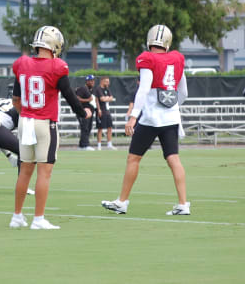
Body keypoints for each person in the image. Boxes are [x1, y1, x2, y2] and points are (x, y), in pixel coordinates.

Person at [102, 24, 190, 216]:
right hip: (171, 116)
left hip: (151, 117)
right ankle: (183, 204)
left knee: (133, 158)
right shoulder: (177, 58)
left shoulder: (147, 58)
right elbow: (183, 92)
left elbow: (144, 89)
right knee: (173, 158)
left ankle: (122, 202)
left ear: (150, 40)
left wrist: (133, 117)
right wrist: (174, 108)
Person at [10, 25, 91, 230]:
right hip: (44, 124)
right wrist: (83, 113)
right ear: (54, 44)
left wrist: (27, 115)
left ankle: (17, 216)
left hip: (25, 122)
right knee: (44, 173)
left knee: (24, 171)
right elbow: (70, 96)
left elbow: (16, 100)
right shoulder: (57, 66)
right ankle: (38, 219)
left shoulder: (22, 63)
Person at [94, 76, 117, 150]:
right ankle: (99, 145)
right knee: (100, 128)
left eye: (108, 81)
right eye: (106, 81)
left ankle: (109, 144)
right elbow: (101, 99)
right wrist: (99, 109)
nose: (108, 83)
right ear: (102, 81)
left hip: (107, 111)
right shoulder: (98, 89)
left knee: (109, 127)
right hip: (101, 111)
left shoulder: (107, 89)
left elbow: (111, 98)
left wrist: (107, 98)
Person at [75, 74, 96, 151]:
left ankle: (81, 145)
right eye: (91, 81)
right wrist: (87, 100)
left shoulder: (91, 89)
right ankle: (85, 145)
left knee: (88, 127)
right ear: (87, 81)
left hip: (89, 111)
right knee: (85, 127)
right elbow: (77, 98)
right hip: (83, 111)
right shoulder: (83, 88)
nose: (92, 82)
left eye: (93, 80)